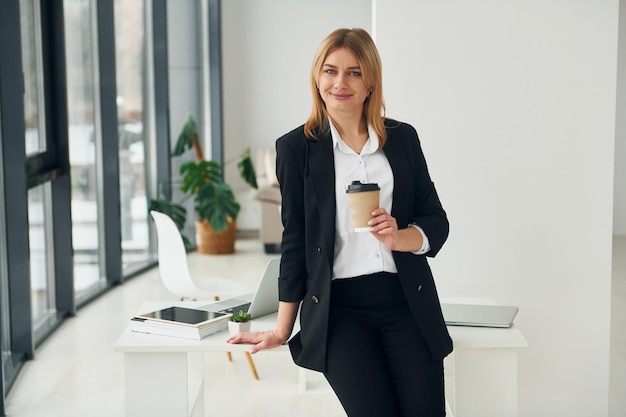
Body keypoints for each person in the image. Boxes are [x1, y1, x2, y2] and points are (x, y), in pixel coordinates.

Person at [227, 27, 452, 416]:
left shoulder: (402, 140)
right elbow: (295, 242)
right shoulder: (296, 149)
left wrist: (403, 237)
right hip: (340, 310)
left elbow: (435, 220)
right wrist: (283, 328)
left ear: (371, 82)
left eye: (354, 72)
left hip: (406, 303)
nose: (340, 83)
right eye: (330, 71)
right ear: (317, 77)